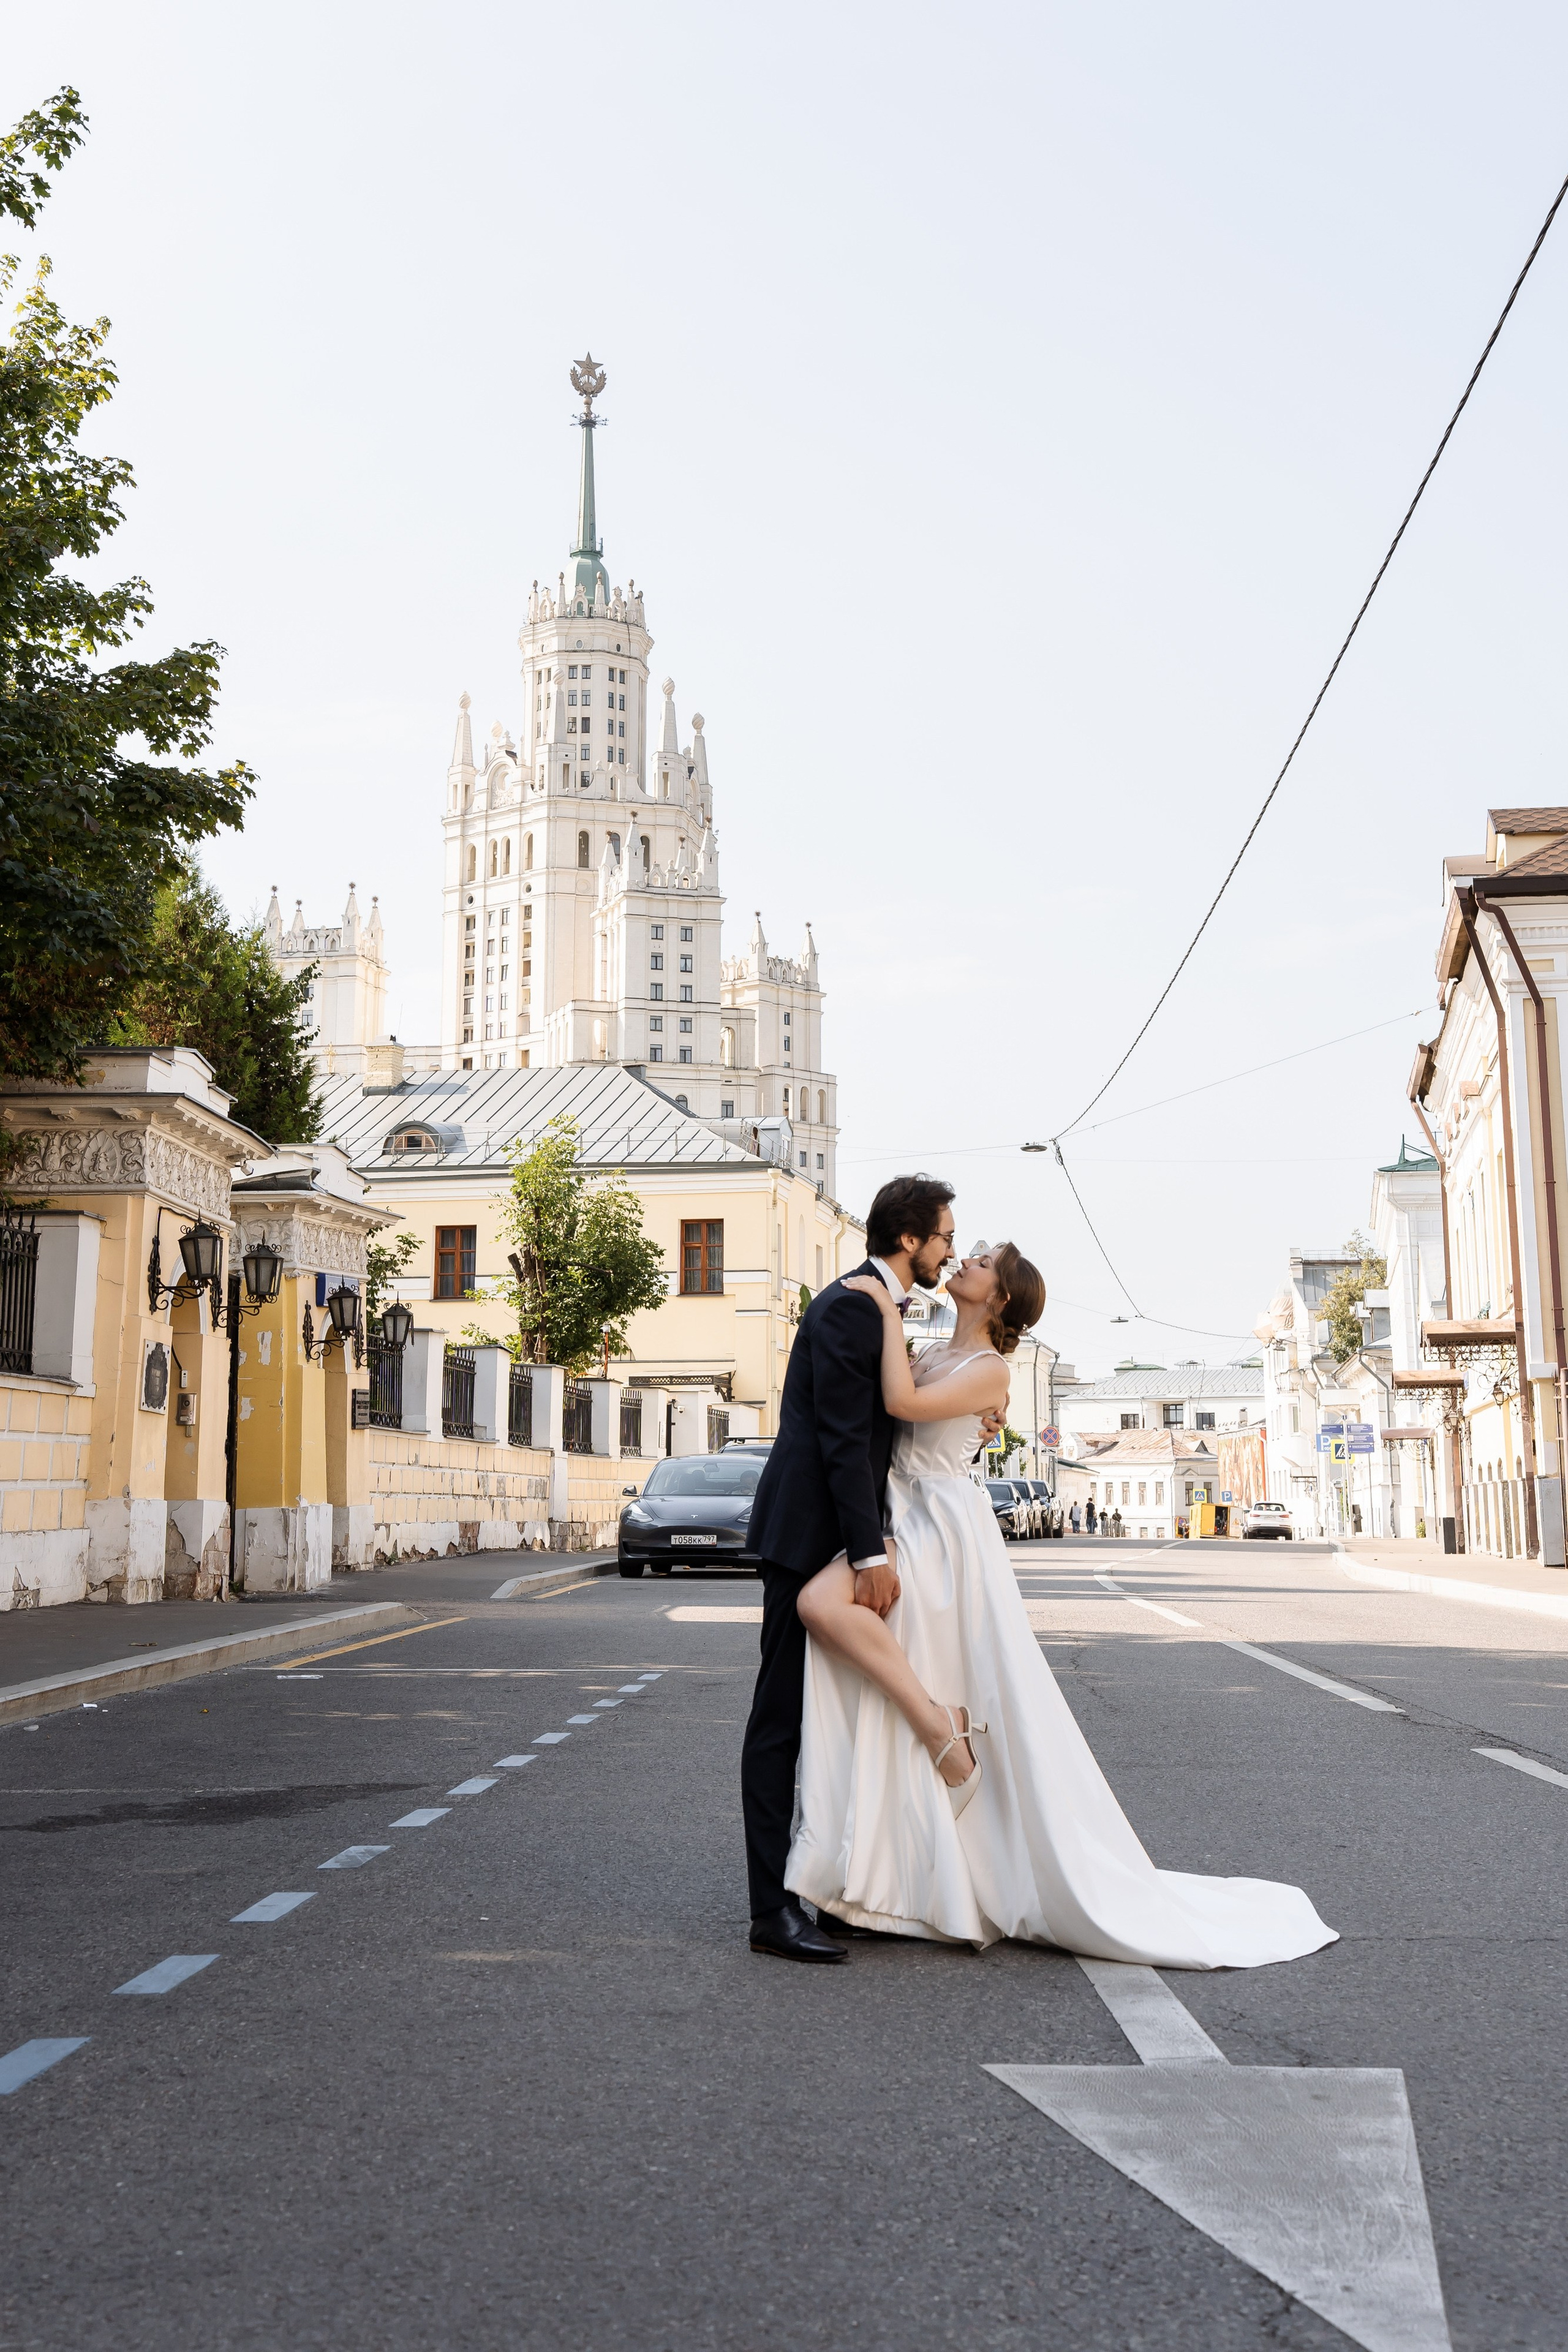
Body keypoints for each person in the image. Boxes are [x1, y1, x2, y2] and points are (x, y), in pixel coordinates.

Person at [785, 1243, 1337, 1967]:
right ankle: (920, 1783)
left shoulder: (988, 1368)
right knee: (843, 1623)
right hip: (907, 1513)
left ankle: (938, 1733)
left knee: (820, 1606)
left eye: (980, 1262)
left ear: (1000, 1298)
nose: (966, 1261)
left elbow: (901, 1405)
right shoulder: (933, 1355)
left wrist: (884, 1309)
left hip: (941, 1528)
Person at [741, 1173, 1001, 1963]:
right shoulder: (858, 1304)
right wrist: (869, 1551)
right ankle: (770, 1912)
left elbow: (906, 1408)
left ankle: (834, 1890)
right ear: (910, 1239)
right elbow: (843, 1441)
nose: (951, 1250)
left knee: (837, 1722)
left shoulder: (880, 1307)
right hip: (809, 1535)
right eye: (946, 1237)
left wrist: (979, 1410)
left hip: (839, 1531)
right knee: (780, 1724)